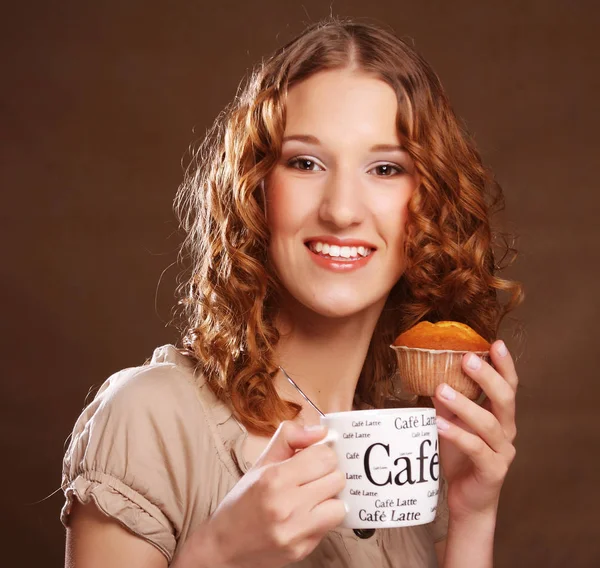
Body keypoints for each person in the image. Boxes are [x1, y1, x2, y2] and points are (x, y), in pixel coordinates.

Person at [61, 17, 523, 568]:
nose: (341, 209)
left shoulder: (411, 463)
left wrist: (474, 515)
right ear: (256, 189)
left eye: (385, 168)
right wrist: (221, 553)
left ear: (429, 205)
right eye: (305, 162)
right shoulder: (150, 418)